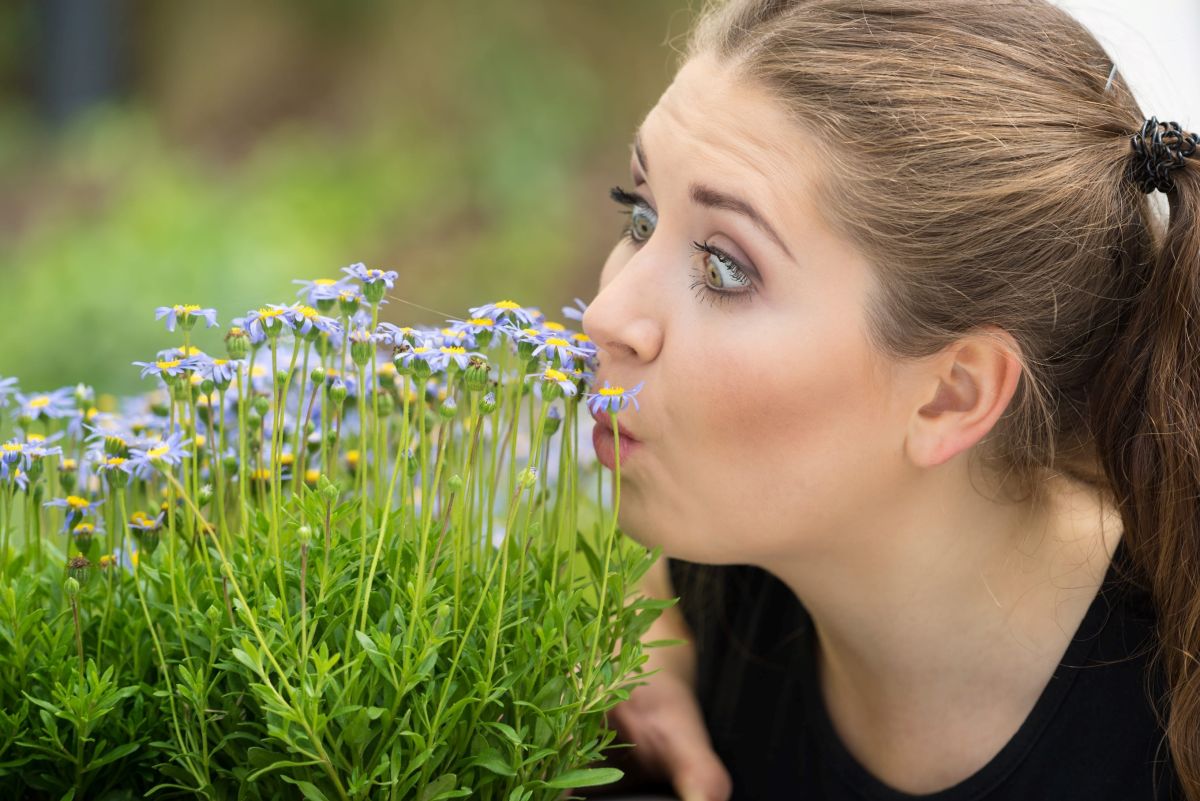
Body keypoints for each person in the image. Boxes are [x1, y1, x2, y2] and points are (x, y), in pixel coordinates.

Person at [576, 0, 1199, 799]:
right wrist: (637, 642)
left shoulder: (1161, 733)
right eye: (641, 214)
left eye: (725, 269)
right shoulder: (716, 582)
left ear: (952, 395)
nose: (603, 316)